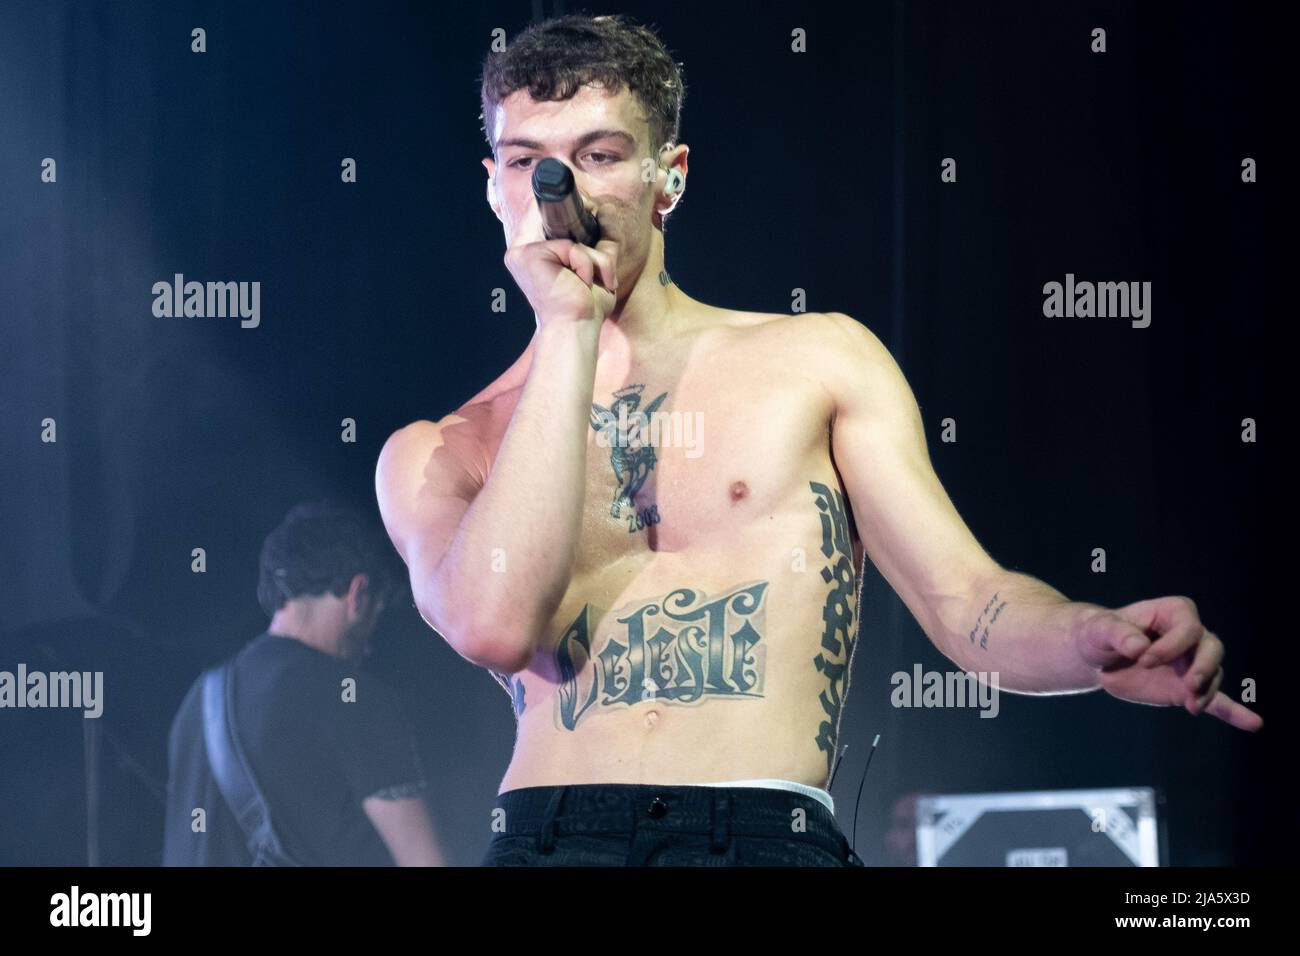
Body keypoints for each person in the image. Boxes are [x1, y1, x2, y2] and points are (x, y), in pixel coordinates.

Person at [374, 14, 1261, 867]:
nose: (557, 192)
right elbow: (493, 627)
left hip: (761, 830)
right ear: (494, 185)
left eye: (598, 156)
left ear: (669, 175)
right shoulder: (440, 450)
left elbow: (967, 602)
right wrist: (568, 329)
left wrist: (1090, 641)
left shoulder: (816, 359)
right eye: (529, 162)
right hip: (548, 835)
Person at [163, 502, 444, 866]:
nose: (370, 643)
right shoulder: (351, 696)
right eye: (376, 612)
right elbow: (423, 861)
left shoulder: (201, 698)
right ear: (358, 594)